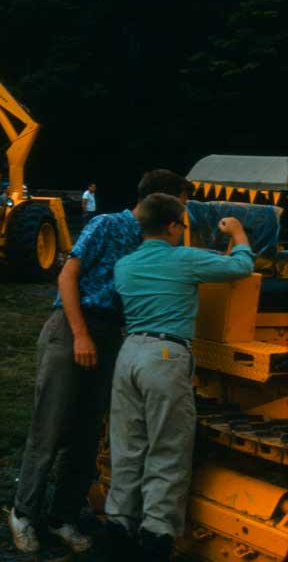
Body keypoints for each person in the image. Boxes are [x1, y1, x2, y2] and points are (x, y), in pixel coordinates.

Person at [8, 169, 194, 555]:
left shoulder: (154, 243)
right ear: (159, 200)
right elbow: (67, 277)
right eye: (181, 204)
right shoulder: (107, 224)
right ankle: (24, 513)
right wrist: (80, 335)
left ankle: (62, 516)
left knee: (89, 432)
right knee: (51, 426)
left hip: (111, 336)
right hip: (74, 326)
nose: (184, 214)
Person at [100, 193, 254, 562]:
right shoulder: (184, 259)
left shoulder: (124, 265)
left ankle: (118, 526)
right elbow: (241, 267)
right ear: (172, 226)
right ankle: (157, 535)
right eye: (181, 225)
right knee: (167, 448)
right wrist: (237, 233)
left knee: (128, 445)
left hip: (129, 354)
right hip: (166, 355)